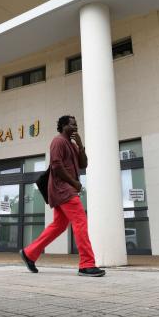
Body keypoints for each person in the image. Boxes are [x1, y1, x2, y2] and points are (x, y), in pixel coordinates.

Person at [19, 115, 105, 277]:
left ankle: (29, 253)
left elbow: (83, 164)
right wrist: (74, 183)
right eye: (72, 124)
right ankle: (86, 264)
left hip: (64, 190)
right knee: (80, 222)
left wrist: (80, 145)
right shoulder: (57, 142)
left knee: (59, 225)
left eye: (76, 124)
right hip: (63, 190)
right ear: (63, 126)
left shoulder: (72, 145)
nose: (75, 127)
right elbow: (56, 166)